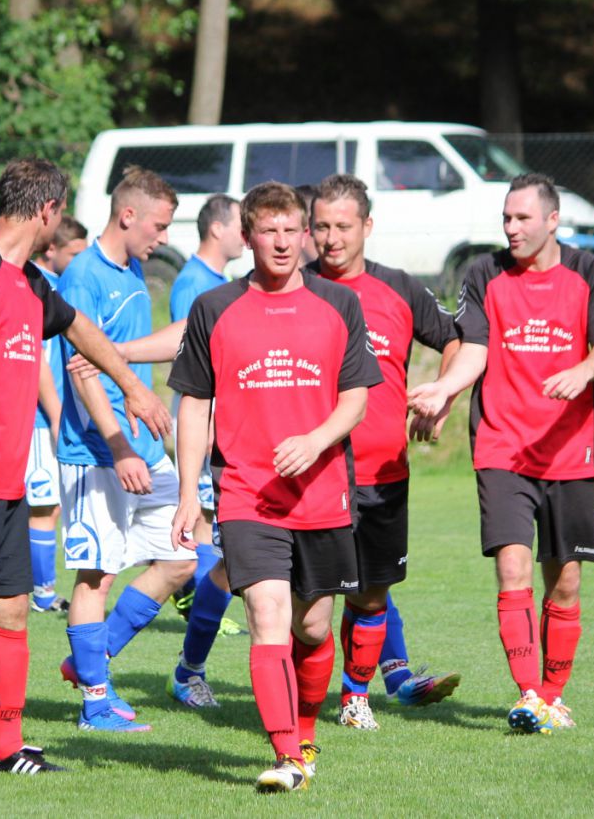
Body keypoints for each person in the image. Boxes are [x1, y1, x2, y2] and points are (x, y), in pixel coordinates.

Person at [0, 158, 171, 785]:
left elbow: (79, 330)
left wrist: (134, 387)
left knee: (12, 612)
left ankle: (7, 746)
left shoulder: (30, 282)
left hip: (7, 482)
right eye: (59, 211)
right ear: (47, 210)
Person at [169, 181, 381, 792]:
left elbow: (356, 397)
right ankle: (288, 754)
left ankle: (305, 730)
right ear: (248, 236)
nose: (282, 242)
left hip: (321, 492)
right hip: (245, 492)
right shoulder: (214, 307)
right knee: (267, 612)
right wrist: (188, 492)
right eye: (269, 231)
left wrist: (315, 441)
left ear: (305, 234)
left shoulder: (339, 304)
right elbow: (194, 404)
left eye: (292, 230)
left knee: (312, 628)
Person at [406, 173, 594, 734]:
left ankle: (553, 694)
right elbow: (475, 348)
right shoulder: (484, 273)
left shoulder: (589, 271)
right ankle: (529, 695)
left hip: (570, 448)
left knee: (565, 581)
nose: (511, 227)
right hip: (501, 444)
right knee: (512, 567)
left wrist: (582, 371)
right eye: (506, 217)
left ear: (553, 220)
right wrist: (445, 388)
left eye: (523, 218)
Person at [310, 174, 463, 731]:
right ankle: (301, 700)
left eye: (343, 226)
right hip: (315, 473)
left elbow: (456, 337)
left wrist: (441, 396)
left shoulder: (399, 288)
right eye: (321, 226)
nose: (331, 238)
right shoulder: (294, 287)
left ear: (367, 226)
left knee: (373, 596)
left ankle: (355, 698)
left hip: (383, 471)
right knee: (311, 605)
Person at [55, 167, 197, 734]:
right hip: (98, 454)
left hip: (142, 448)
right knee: (97, 576)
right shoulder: (82, 277)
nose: (164, 237)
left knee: (182, 556)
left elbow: (123, 352)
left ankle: (89, 659)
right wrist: (119, 447)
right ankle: (95, 703)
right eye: (159, 226)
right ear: (128, 215)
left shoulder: (133, 268)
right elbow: (81, 370)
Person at [26, 216, 89, 613]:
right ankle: (43, 594)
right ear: (51, 249)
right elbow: (36, 359)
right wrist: (53, 416)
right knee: (44, 506)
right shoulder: (38, 287)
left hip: (53, 416)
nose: (80, 261)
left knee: (51, 506)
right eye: (74, 253)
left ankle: (35, 588)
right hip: (38, 420)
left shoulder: (57, 286)